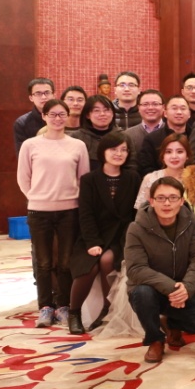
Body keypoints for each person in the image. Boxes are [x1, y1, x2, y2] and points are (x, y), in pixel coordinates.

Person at [124, 177, 195, 363]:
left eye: (173, 198)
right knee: (143, 293)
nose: (167, 203)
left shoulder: (192, 222)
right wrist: (172, 288)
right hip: (151, 290)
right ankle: (155, 339)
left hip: (183, 288)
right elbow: (136, 268)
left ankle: (171, 324)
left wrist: (187, 288)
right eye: (161, 198)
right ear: (151, 201)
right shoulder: (136, 228)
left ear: (182, 201)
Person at [18, 98, 90, 328]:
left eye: (62, 115)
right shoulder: (30, 145)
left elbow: (83, 178)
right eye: (53, 114)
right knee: (44, 262)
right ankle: (45, 307)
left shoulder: (77, 145)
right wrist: (37, 197)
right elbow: (23, 177)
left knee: (65, 262)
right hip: (39, 211)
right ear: (44, 116)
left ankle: (63, 305)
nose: (58, 119)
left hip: (69, 210)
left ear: (67, 117)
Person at [68, 132, 141, 335]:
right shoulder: (90, 179)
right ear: (103, 152)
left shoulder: (133, 178)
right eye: (113, 149)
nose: (119, 153)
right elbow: (86, 214)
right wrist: (92, 242)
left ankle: (107, 311)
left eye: (123, 150)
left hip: (121, 236)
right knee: (88, 266)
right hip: (94, 234)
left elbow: (135, 213)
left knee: (108, 260)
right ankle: (74, 314)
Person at [137, 96, 192, 175]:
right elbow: (146, 168)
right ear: (165, 113)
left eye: (183, 108)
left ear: (189, 114)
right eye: (174, 108)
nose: (179, 112)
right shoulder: (152, 139)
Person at [136, 134, 190, 209]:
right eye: (169, 152)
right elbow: (141, 211)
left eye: (179, 152)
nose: (174, 156)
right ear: (163, 156)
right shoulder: (150, 179)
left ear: (187, 155)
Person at [73, 95, 122, 173]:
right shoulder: (76, 138)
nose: (102, 114)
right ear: (87, 115)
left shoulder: (123, 136)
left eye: (106, 110)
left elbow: (131, 165)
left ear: (113, 113)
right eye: (96, 110)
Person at [15, 78, 55, 152]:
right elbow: (22, 154)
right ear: (31, 98)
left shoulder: (62, 118)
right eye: (38, 93)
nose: (43, 97)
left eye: (47, 92)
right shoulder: (22, 123)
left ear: (53, 95)